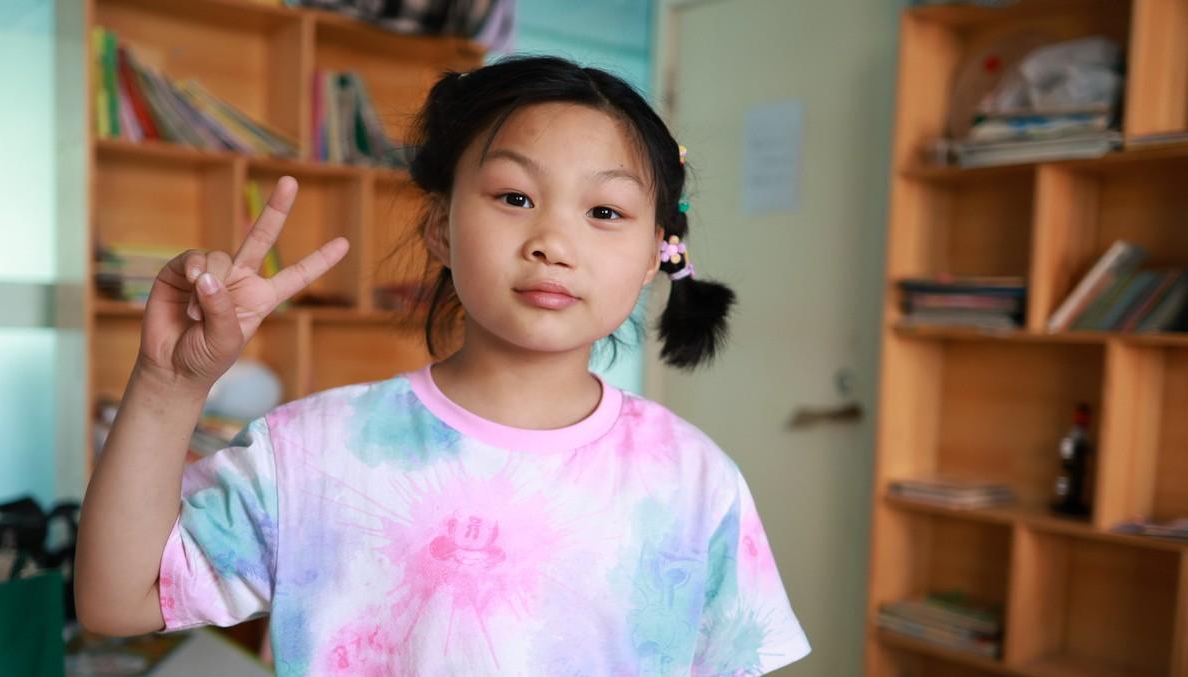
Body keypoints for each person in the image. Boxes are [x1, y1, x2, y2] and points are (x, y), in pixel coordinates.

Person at [75, 55, 811, 676]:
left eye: (605, 212)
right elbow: (117, 599)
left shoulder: (691, 479)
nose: (552, 240)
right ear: (439, 225)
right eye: (515, 196)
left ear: (658, 252)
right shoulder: (312, 451)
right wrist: (169, 385)